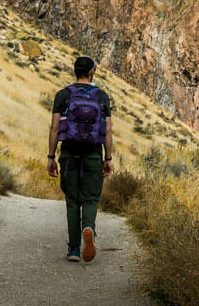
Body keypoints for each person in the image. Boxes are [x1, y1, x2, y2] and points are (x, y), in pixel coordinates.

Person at [47, 55, 114, 262]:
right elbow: (108, 131)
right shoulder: (101, 97)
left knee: (72, 200)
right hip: (93, 154)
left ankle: (74, 249)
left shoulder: (63, 95)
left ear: (74, 70)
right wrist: (108, 158)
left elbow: (55, 128)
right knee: (91, 198)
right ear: (92, 71)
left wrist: (51, 156)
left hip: (69, 154)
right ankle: (89, 228)